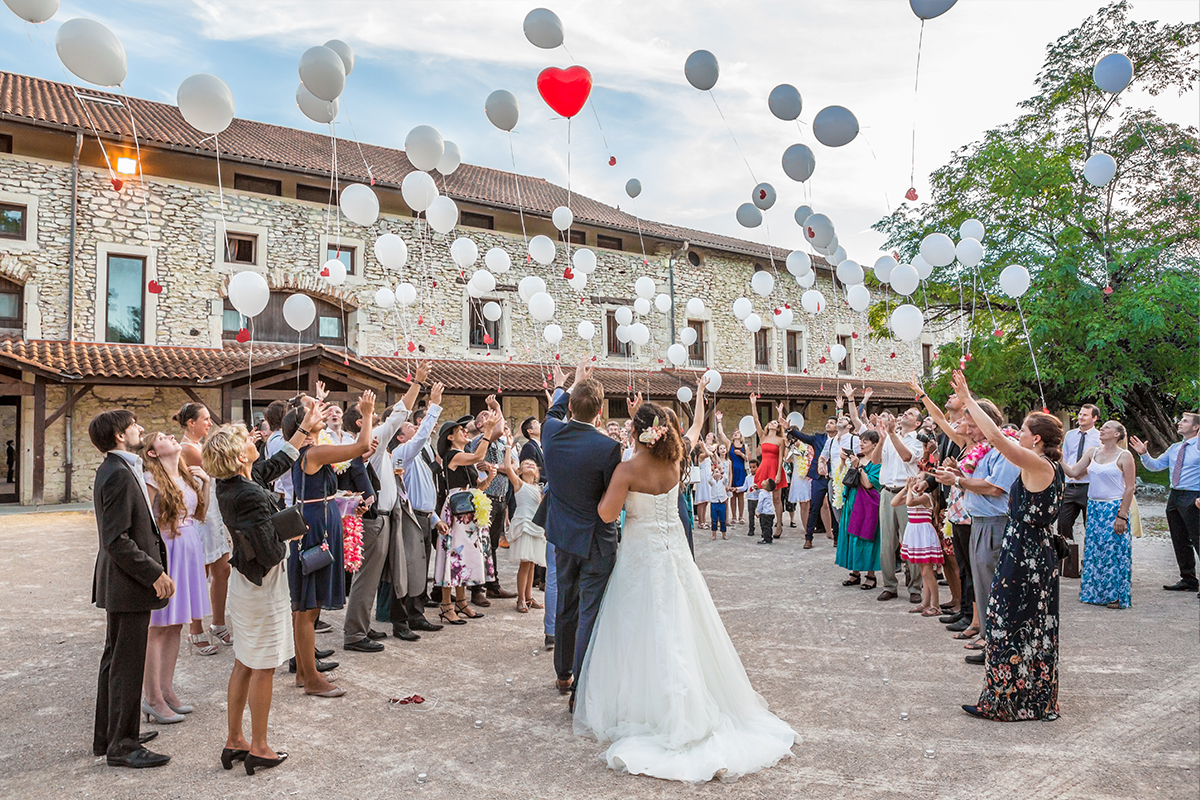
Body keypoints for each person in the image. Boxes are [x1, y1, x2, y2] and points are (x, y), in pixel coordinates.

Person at [574, 401, 800, 781]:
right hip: (675, 553)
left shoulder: (628, 469)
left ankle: (659, 710)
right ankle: (692, 698)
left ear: (638, 432)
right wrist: (694, 405)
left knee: (643, 627)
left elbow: (607, 515)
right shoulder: (675, 463)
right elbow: (692, 432)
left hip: (641, 557)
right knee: (682, 624)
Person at [205, 399, 319, 775]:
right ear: (240, 457)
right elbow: (269, 551)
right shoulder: (249, 493)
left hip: (244, 581)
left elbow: (275, 464)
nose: (253, 438)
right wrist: (290, 526)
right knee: (264, 667)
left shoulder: (235, 482)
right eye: (245, 440)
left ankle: (234, 739)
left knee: (243, 661)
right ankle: (260, 746)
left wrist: (303, 431)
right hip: (262, 584)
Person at [951, 372, 1064, 722]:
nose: (1020, 434)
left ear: (1037, 439)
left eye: (1025, 431)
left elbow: (997, 436)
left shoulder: (1037, 463)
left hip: (1025, 552)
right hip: (1034, 549)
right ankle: (1031, 697)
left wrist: (969, 399)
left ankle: (1006, 702)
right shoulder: (1049, 466)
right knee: (1031, 623)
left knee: (1009, 621)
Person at [534, 356, 622, 705]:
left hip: (562, 536)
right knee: (590, 612)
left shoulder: (551, 432)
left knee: (566, 606)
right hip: (597, 539)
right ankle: (581, 689)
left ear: (571, 405)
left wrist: (567, 384)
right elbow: (609, 495)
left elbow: (554, 411)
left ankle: (563, 674)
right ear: (600, 413)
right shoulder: (608, 447)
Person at [89, 409, 174, 769]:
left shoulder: (119, 469)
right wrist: (154, 573)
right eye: (135, 425)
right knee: (126, 663)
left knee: (115, 658)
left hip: (122, 582)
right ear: (120, 436)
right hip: (128, 582)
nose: (141, 428)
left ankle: (109, 734)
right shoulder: (118, 475)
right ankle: (122, 745)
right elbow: (116, 539)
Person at [286, 389, 376, 697]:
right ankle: (311, 678)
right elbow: (362, 446)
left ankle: (303, 671)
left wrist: (350, 506)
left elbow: (322, 495)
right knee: (309, 608)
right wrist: (365, 414)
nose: (320, 416)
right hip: (316, 528)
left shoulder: (312, 452)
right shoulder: (312, 453)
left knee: (305, 608)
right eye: (312, 415)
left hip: (319, 519)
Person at [934, 397, 1020, 664]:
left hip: (995, 523)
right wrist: (958, 471)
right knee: (982, 585)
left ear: (988, 422)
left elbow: (995, 488)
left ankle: (996, 644)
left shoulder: (1005, 449)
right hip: (980, 521)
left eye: (972, 425)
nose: (968, 431)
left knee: (993, 586)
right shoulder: (985, 449)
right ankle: (988, 638)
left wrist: (958, 479)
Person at [138, 431, 211, 724]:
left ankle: (167, 690)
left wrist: (204, 483)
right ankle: (152, 697)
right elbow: (145, 524)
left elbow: (200, 513)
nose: (170, 436)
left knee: (176, 624)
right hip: (168, 549)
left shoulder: (185, 475)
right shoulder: (150, 480)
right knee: (157, 626)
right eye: (162, 437)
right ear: (153, 452)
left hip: (190, 545)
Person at [846, 386, 922, 603]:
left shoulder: (916, 439)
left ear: (917, 423)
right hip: (887, 493)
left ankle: (915, 587)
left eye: (910, 414)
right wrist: (882, 439)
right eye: (904, 412)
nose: (904, 414)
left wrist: (890, 435)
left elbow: (907, 457)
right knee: (887, 542)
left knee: (909, 540)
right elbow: (877, 460)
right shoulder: (888, 437)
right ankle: (889, 585)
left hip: (907, 494)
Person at [174, 403, 233, 650]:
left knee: (223, 569)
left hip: (213, 512)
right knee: (200, 573)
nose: (209, 423)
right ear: (191, 423)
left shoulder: (199, 447)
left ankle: (218, 623)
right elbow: (220, 469)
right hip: (200, 515)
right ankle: (195, 629)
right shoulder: (188, 449)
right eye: (205, 419)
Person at [434, 410, 500, 624]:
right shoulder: (452, 455)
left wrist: (489, 478)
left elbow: (476, 487)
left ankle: (461, 602)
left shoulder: (465, 459)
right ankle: (446, 605)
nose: (464, 431)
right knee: (452, 556)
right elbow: (478, 456)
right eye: (459, 430)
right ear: (450, 437)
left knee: (462, 558)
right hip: (456, 511)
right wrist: (488, 431)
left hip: (469, 508)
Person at [1063, 420, 1136, 608]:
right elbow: (1073, 472)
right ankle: (1094, 593)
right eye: (1102, 427)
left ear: (1117, 434)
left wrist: (1122, 515)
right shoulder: (1092, 452)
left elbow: (1130, 488)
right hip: (1094, 506)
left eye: (1107, 428)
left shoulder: (1124, 456)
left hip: (1113, 507)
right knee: (1095, 551)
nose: (1102, 429)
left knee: (1115, 551)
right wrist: (1058, 457)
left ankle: (1117, 596)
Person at [1131, 412, 1199, 593]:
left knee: (1198, 538)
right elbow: (1155, 466)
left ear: (1195, 427)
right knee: (1179, 539)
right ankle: (1188, 580)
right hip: (1175, 495)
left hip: (1194, 496)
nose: (1179, 423)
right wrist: (1144, 454)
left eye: (1185, 421)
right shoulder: (1175, 447)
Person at [470, 396, 519, 606]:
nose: (492, 417)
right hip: (486, 497)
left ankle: (493, 585)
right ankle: (477, 588)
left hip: (501, 498)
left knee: (493, 545)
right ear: (480, 425)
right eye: (485, 416)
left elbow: (514, 468)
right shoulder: (480, 440)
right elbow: (497, 429)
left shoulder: (503, 443)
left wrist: (496, 467)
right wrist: (497, 406)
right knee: (481, 544)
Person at [502, 445, 547, 612]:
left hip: (536, 526)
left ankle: (529, 597)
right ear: (519, 471)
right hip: (524, 525)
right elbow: (507, 467)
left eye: (533, 465)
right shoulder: (519, 483)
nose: (530, 465)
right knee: (525, 562)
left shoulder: (539, 489)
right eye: (526, 464)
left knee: (532, 562)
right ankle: (520, 598)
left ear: (537, 473)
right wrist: (508, 447)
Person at [835, 429, 882, 589]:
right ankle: (854, 572)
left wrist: (859, 467)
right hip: (852, 501)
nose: (861, 443)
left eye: (865, 441)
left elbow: (869, 484)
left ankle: (871, 574)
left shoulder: (878, 462)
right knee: (851, 536)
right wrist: (843, 462)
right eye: (860, 440)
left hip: (868, 504)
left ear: (875, 445)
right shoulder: (857, 457)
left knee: (868, 537)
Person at [896, 473, 945, 616]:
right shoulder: (914, 496)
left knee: (927, 572)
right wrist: (906, 488)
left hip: (924, 534)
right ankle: (926, 602)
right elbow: (895, 502)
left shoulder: (925, 497)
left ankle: (936, 605)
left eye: (918, 479)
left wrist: (910, 489)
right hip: (916, 534)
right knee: (924, 572)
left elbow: (910, 503)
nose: (914, 480)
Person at [791, 417, 837, 547]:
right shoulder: (818, 438)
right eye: (827, 422)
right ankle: (809, 537)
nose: (828, 424)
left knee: (835, 507)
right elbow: (803, 437)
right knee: (814, 507)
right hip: (819, 478)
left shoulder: (840, 440)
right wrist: (789, 429)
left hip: (834, 477)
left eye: (831, 423)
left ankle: (837, 537)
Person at [1059, 404, 1101, 541]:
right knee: (1063, 524)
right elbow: (1064, 456)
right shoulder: (1070, 435)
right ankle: (1068, 557)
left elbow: (1101, 460)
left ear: (1094, 418)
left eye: (1085, 415)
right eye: (1080, 414)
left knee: (1089, 525)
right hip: (1070, 485)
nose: (1081, 417)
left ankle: (1087, 558)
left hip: (1088, 485)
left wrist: (1083, 471)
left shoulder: (1100, 437)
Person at [750, 395, 790, 540]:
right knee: (763, 496)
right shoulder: (763, 436)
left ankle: (779, 524)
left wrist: (779, 473)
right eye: (771, 422)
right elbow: (756, 421)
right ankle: (764, 524)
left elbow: (781, 458)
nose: (773, 423)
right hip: (764, 467)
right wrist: (753, 404)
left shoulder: (780, 440)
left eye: (775, 422)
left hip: (775, 468)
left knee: (777, 499)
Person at [786, 440, 813, 537]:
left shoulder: (807, 446)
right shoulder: (792, 448)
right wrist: (789, 447)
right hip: (798, 477)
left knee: (810, 503)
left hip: (808, 476)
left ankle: (812, 525)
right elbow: (787, 459)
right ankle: (806, 528)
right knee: (803, 503)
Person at [519, 416, 545, 481]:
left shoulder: (541, 446)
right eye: (536, 423)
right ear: (530, 431)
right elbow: (528, 471)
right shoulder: (529, 447)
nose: (540, 424)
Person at [709, 460, 729, 539]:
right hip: (714, 502)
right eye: (715, 472)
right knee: (714, 519)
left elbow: (726, 478)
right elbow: (709, 479)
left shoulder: (722, 482)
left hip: (721, 502)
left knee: (722, 519)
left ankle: (724, 534)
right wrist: (711, 471)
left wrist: (722, 471)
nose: (717, 473)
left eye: (718, 472)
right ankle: (714, 534)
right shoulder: (712, 482)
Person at [756, 478, 777, 544]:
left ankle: (766, 539)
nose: (763, 480)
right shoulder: (768, 493)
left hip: (764, 513)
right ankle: (769, 537)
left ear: (765, 486)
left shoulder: (762, 494)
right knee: (769, 526)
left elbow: (760, 503)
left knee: (764, 526)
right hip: (770, 513)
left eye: (765, 481)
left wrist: (758, 512)